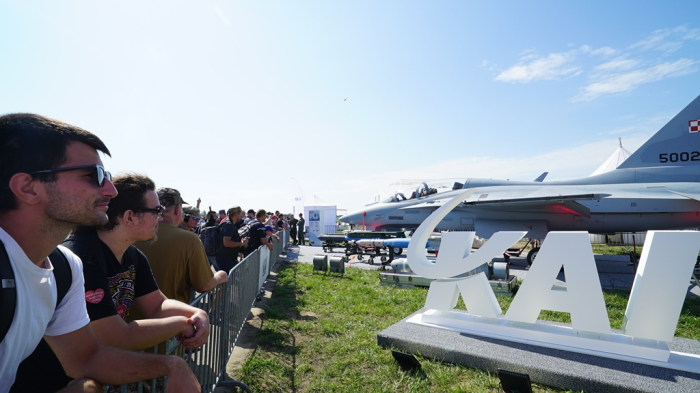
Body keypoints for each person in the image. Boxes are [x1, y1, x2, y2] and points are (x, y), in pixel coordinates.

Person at [0, 113, 200, 392]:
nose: (111, 190)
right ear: (28, 188)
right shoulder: (79, 256)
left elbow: (86, 356)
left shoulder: (65, 266)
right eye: (93, 175)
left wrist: (172, 365)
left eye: (106, 176)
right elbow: (115, 338)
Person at [133, 188, 227, 307]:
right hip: (171, 319)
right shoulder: (189, 240)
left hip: (128, 321)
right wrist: (221, 276)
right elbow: (204, 285)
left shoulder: (133, 234)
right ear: (177, 209)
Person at [216, 206, 249, 273]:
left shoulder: (229, 224)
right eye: (240, 214)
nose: (241, 216)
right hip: (226, 260)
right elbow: (226, 243)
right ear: (236, 214)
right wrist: (242, 243)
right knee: (226, 281)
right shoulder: (229, 225)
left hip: (228, 258)